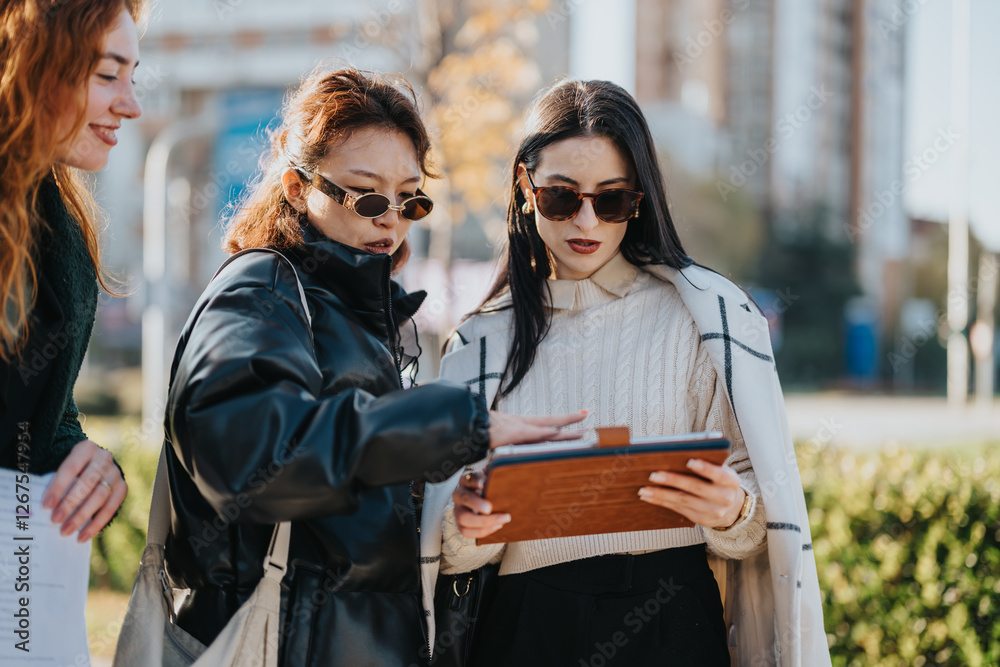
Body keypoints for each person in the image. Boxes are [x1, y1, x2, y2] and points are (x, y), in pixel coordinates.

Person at [161, 66, 583, 667]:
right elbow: (249, 457)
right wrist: (448, 425)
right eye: (367, 196)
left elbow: (346, 507)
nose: (392, 218)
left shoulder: (359, 314)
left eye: (411, 198)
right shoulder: (263, 291)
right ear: (295, 186)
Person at [421, 80, 831, 666]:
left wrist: (734, 510)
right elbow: (448, 546)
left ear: (640, 200)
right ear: (525, 187)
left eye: (611, 200)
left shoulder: (703, 315)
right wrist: (466, 528)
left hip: (672, 618)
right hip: (525, 626)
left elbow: (766, 515)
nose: (586, 220)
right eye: (562, 197)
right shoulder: (480, 340)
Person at [0, 1, 144, 541]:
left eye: (133, 76)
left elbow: (41, 416)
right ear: (33, 60)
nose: (129, 105)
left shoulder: (54, 218)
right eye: (108, 75)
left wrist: (89, 467)